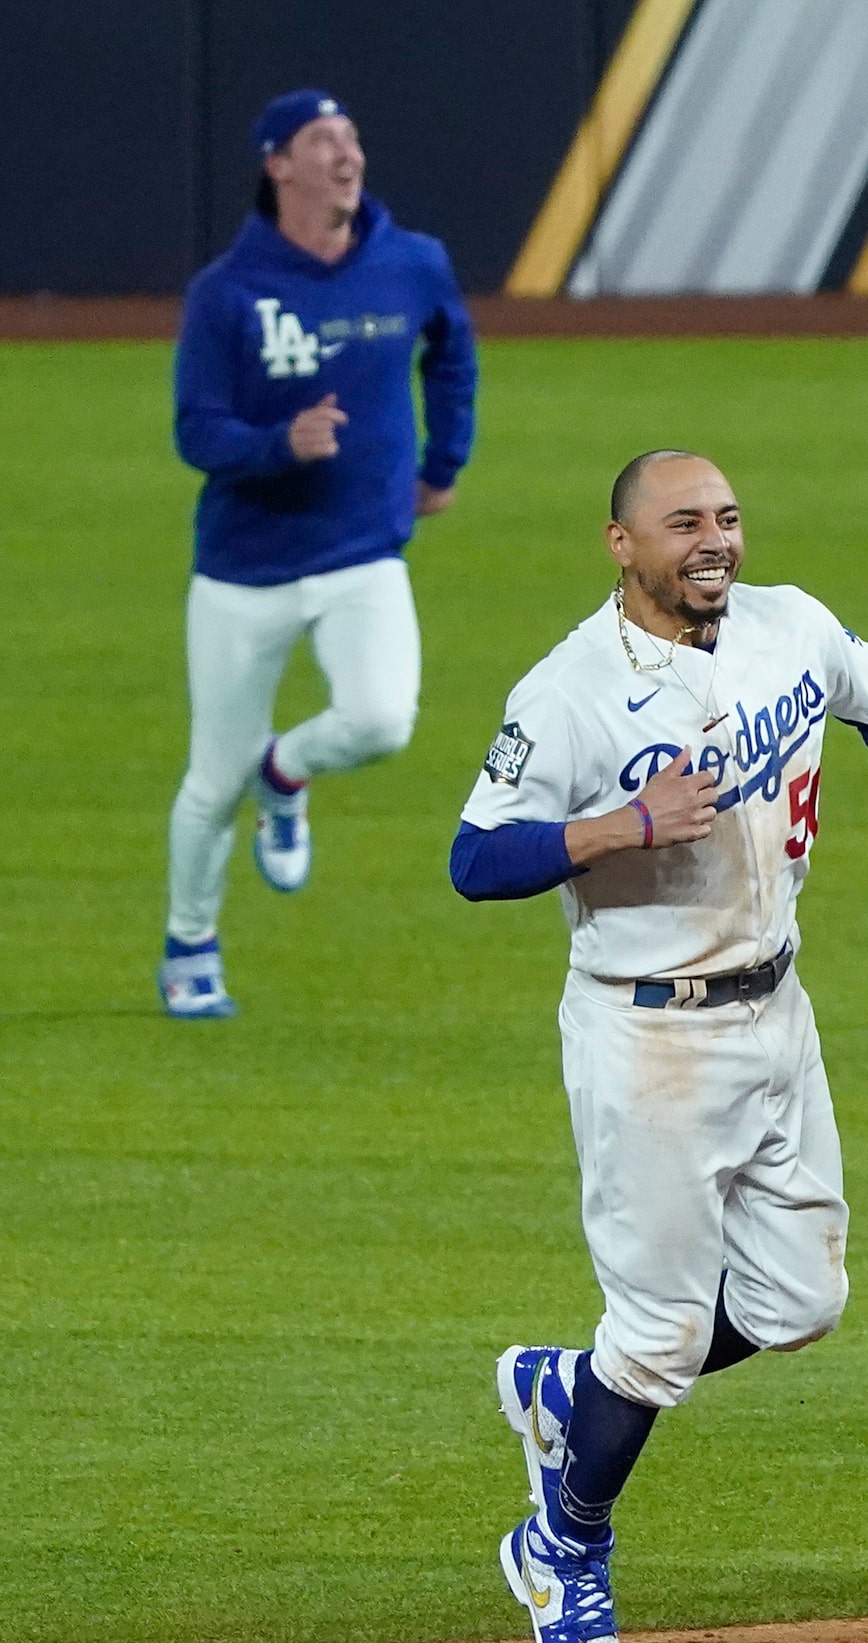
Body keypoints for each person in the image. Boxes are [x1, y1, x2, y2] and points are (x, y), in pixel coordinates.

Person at [454, 451, 868, 1643]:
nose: (713, 542)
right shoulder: (569, 695)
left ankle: (568, 1390)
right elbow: (475, 858)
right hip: (646, 1041)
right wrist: (620, 827)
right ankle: (563, 1547)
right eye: (682, 524)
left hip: (777, 1012)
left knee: (797, 1303)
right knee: (656, 1339)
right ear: (621, 545)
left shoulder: (788, 627)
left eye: (727, 519)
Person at [161, 89, 477, 1018]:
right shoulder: (227, 293)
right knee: (207, 785)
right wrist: (275, 445)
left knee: (382, 718)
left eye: (351, 135)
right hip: (243, 568)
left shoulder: (412, 263)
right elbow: (195, 430)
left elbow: (451, 352)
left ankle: (287, 771)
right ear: (278, 164)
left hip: (361, 551)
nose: (346, 154)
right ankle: (190, 945)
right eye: (321, 140)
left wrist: (443, 460)